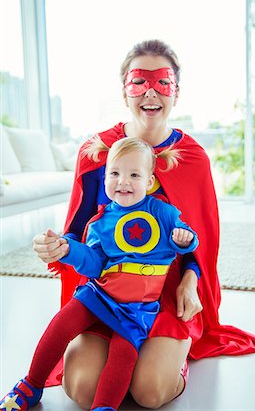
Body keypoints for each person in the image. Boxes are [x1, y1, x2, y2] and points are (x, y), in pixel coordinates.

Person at [31, 40, 255, 410]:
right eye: (139, 82)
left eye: (163, 82)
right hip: (105, 290)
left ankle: (167, 355)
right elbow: (77, 231)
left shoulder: (190, 158)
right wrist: (58, 246)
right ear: (124, 90)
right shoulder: (97, 154)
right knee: (82, 389)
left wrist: (191, 281)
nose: (151, 93)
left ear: (177, 92)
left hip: (162, 295)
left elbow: (198, 242)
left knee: (150, 392)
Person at [0, 137, 199, 411]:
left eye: (134, 175)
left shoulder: (163, 212)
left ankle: (105, 407)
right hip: (99, 294)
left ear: (150, 180)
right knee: (61, 325)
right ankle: (31, 384)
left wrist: (183, 239)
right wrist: (69, 250)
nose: (123, 182)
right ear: (105, 178)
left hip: (137, 310)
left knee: (123, 355)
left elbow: (188, 240)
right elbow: (94, 264)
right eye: (114, 173)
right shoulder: (101, 221)